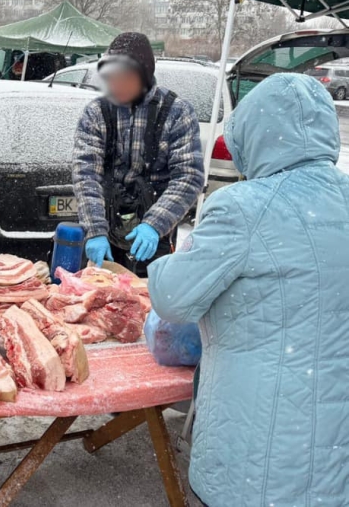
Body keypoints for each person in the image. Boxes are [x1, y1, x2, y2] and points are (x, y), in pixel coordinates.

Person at [148, 73, 349, 506]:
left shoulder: (245, 207)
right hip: (334, 441)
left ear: (254, 135)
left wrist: (164, 261)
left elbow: (173, 298)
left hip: (257, 447)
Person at [72, 32, 204, 275]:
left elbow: (189, 176)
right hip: (106, 227)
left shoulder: (177, 113)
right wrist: (95, 231)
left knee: (149, 302)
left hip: (155, 232)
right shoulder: (95, 113)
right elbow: (86, 175)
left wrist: (155, 225)